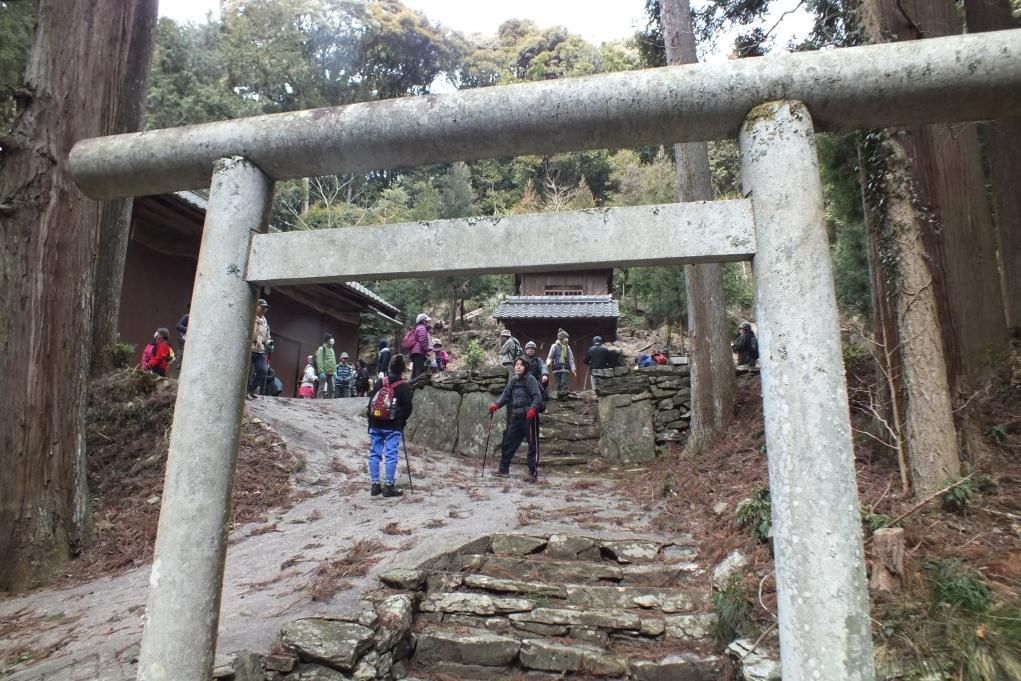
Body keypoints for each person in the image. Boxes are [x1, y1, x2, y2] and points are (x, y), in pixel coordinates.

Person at [488, 357, 543, 480]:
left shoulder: (530, 379)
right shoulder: (513, 380)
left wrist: (533, 409)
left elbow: (537, 397)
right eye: (516, 364)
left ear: (526, 367)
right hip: (516, 417)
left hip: (530, 417)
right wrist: (496, 405)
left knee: (533, 445)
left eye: (521, 365)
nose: (518, 367)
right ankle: (503, 470)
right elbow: (506, 395)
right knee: (508, 443)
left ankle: (532, 473)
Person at [367, 354, 414, 498]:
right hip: (393, 426)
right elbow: (408, 409)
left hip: (376, 422)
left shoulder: (380, 382)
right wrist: (401, 422)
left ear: (389, 367)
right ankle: (388, 486)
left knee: (374, 453)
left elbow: (371, 403)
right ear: (403, 370)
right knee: (391, 455)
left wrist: (370, 422)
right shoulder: (404, 386)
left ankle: (375, 485)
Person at [247, 299, 271, 399]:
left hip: (260, 350)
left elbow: (267, 337)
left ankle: (251, 389)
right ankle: (245, 392)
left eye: (265, 308)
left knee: (263, 370)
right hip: (249, 348)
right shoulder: (251, 317)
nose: (264, 310)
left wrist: (269, 343)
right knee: (247, 372)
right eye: (262, 307)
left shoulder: (265, 321)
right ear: (256, 307)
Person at [545, 329, 576, 398]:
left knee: (564, 383)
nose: (567, 339)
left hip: (566, 368)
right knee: (558, 384)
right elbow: (550, 356)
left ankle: (564, 397)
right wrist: (548, 363)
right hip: (556, 368)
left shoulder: (568, 347)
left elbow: (571, 359)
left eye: (567, 338)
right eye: (565, 338)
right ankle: (558, 398)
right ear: (561, 338)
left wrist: (573, 369)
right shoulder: (554, 346)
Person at [408, 313, 432, 379]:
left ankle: (411, 386)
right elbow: (423, 341)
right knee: (419, 372)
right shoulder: (422, 328)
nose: (428, 322)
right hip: (419, 353)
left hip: (415, 352)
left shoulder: (418, 328)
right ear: (423, 321)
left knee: (415, 371)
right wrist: (427, 350)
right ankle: (417, 387)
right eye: (426, 321)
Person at [316, 333, 338, 398]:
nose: (332, 340)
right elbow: (319, 361)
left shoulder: (332, 349)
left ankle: (330, 402)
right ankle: (319, 401)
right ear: (327, 340)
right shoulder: (321, 348)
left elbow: (334, 361)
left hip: (331, 373)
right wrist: (321, 372)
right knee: (321, 388)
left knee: (332, 388)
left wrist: (334, 371)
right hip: (324, 372)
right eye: (331, 338)